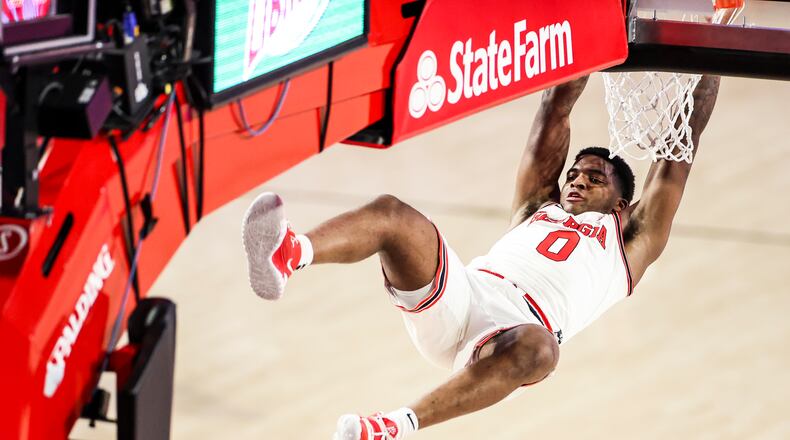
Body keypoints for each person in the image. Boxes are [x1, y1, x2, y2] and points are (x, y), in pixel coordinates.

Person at [241, 75, 720, 439]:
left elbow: (682, 146)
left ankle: (393, 427)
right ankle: (287, 254)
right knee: (393, 214)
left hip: (513, 334)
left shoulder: (632, 243)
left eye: (594, 179)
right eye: (575, 173)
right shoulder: (538, 206)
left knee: (542, 350)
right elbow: (555, 108)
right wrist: (594, 28)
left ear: (621, 205)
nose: (576, 180)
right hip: (465, 294)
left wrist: (712, 44)